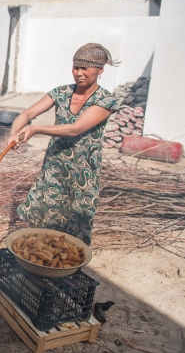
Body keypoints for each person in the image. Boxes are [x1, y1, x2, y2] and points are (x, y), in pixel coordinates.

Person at [7, 43, 120, 245]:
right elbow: (27, 114)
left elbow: (75, 129)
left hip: (84, 169)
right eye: (76, 67)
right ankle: (42, 258)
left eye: (85, 68)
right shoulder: (60, 92)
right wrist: (14, 132)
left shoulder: (106, 100)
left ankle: (68, 267)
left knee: (77, 218)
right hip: (55, 163)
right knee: (48, 212)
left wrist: (35, 129)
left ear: (100, 70)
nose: (79, 73)